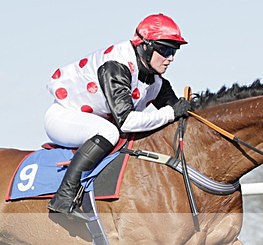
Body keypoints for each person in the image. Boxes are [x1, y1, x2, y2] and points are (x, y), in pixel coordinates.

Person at [44, 13, 192, 218]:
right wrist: (169, 113)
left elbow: (177, 111)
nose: (171, 58)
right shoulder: (116, 65)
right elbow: (128, 121)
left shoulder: (156, 79)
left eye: (174, 51)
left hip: (96, 120)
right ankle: (64, 196)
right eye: (165, 49)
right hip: (64, 117)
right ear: (145, 46)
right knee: (109, 131)